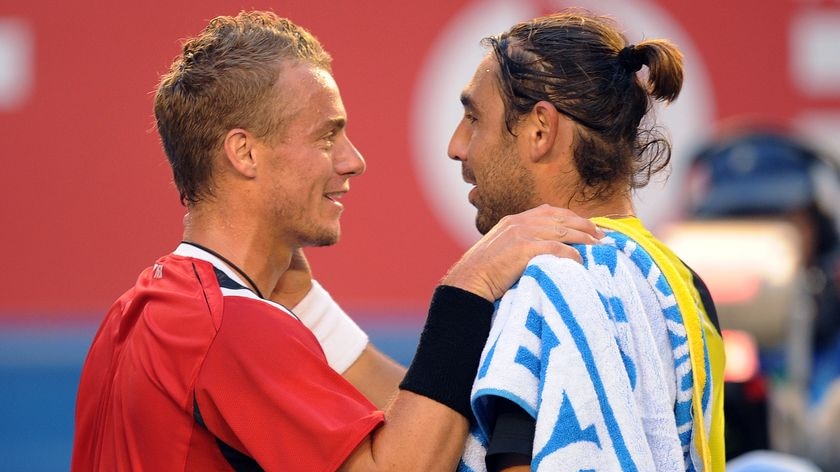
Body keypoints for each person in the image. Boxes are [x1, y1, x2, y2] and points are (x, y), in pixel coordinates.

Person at [70, 11, 604, 471]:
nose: (353, 161)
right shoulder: (229, 327)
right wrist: (469, 287)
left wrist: (310, 307)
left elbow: (403, 422)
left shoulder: (139, 313)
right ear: (244, 152)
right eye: (327, 135)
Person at [446, 10, 725, 472]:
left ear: (540, 130)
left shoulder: (553, 280)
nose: (457, 145)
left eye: (474, 117)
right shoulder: (686, 287)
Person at [686, 125, 840, 470]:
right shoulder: (677, 323)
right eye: (741, 220)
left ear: (819, 227)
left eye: (782, 220)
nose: (762, 239)